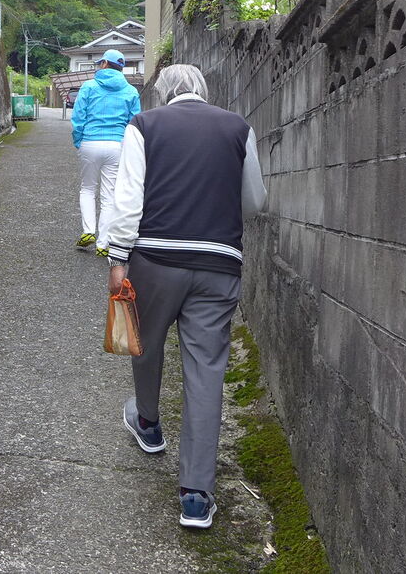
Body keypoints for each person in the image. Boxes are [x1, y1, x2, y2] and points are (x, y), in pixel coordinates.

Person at [103, 64, 267, 530]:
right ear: (202, 89)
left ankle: (149, 424)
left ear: (163, 92)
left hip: (155, 259)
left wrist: (118, 258)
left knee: (145, 342)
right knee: (206, 371)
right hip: (219, 264)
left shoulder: (145, 125)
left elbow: (128, 200)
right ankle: (196, 495)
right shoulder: (238, 127)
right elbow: (255, 202)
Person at [69, 49, 140, 256]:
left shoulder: (89, 86)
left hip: (90, 142)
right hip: (117, 145)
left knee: (88, 188)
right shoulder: (131, 91)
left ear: (105, 64)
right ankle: (103, 244)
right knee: (109, 195)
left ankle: (88, 231)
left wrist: (79, 141)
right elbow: (134, 122)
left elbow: (78, 117)